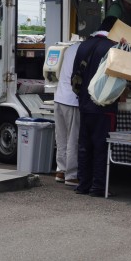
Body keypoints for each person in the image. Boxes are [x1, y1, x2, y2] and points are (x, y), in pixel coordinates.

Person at [71, 16, 120, 197]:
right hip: (104, 106)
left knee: (84, 145)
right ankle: (98, 187)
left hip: (84, 103)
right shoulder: (113, 48)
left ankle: (83, 184)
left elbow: (75, 76)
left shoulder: (83, 46)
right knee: (101, 146)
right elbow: (122, 77)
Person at [53, 41, 81, 186]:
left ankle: (61, 171)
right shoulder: (84, 49)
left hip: (59, 97)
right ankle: (71, 175)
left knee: (61, 137)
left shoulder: (71, 48)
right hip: (72, 100)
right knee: (72, 139)